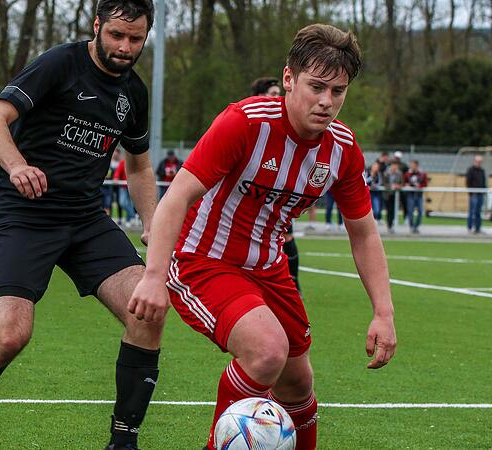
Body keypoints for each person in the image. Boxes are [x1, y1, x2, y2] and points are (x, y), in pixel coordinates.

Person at [129, 24, 396, 450]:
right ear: (289, 79)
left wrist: (384, 312)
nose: (327, 102)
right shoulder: (245, 122)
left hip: (270, 268)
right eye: (316, 87)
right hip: (203, 259)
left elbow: (363, 232)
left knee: (298, 384)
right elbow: (177, 195)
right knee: (267, 350)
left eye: (338, 91)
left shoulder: (342, 149)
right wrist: (153, 276)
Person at [0, 2, 162, 450]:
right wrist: (17, 166)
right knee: (11, 336)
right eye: (116, 35)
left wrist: (152, 222)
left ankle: (123, 442)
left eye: (136, 39)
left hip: (85, 218)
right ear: (96, 26)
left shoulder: (134, 92)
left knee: (146, 311)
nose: (125, 47)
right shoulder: (59, 64)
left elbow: (139, 165)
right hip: (24, 214)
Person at [251, 76, 301, 292]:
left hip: (277, 197)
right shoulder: (248, 123)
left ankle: (294, 284)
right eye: (273, 94)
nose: (279, 98)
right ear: (259, 96)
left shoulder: (286, 125)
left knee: (286, 238)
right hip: (250, 198)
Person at [403, 159, 427, 233]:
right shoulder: (407, 174)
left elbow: (425, 184)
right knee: (410, 211)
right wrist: (407, 185)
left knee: (420, 211)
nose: (412, 166)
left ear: (417, 166)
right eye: (411, 165)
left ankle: (416, 226)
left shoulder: (422, 174)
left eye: (413, 165)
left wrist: (419, 186)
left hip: (419, 195)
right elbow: (404, 182)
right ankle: (411, 226)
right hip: (410, 195)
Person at [465, 155, 486, 234]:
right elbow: (468, 182)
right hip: (473, 194)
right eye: (477, 161)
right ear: (474, 161)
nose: (479, 163)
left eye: (480, 162)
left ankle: (478, 228)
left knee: (478, 212)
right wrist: (471, 192)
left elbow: (483, 182)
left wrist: (484, 191)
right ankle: (470, 228)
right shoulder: (470, 170)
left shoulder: (482, 170)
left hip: (480, 194)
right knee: (472, 211)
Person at [114, 156, 137, 225]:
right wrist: (116, 178)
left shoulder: (135, 163)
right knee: (122, 203)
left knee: (131, 204)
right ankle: (133, 215)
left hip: (132, 186)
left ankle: (128, 220)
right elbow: (117, 171)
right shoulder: (123, 162)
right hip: (123, 186)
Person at [384, 161, 403, 232]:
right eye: (393, 165)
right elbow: (384, 183)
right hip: (388, 194)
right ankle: (389, 225)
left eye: (396, 166)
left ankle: (392, 225)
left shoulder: (399, 173)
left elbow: (402, 183)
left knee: (394, 210)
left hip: (396, 195)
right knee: (389, 210)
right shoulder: (386, 173)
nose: (394, 167)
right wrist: (391, 186)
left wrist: (398, 186)